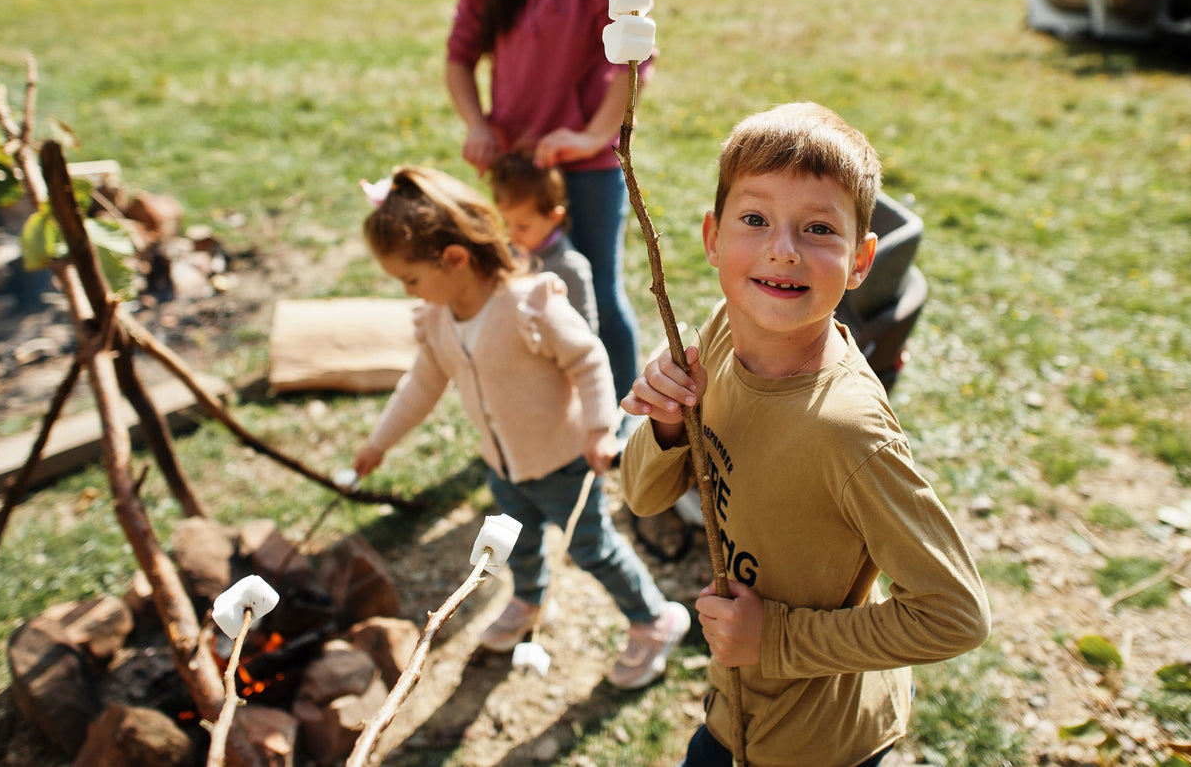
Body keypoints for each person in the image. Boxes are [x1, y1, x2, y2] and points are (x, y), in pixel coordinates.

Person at [619, 103, 991, 766]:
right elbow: (645, 498)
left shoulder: (847, 432)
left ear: (859, 260)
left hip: (820, 741)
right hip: (737, 708)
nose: (782, 249)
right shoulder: (723, 330)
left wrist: (776, 641)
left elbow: (955, 613)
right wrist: (669, 426)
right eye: (755, 219)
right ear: (711, 237)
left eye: (818, 228)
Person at [351, 165, 688, 688]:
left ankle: (653, 619)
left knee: (590, 548)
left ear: (455, 258)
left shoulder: (529, 305)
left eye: (411, 278)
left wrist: (600, 429)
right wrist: (379, 443)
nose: (408, 291)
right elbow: (421, 386)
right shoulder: (439, 320)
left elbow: (589, 360)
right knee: (518, 543)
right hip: (505, 466)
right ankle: (529, 600)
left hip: (563, 461)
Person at [445, 0, 645, 405]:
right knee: (528, 287)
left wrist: (591, 136)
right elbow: (458, 59)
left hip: (583, 165)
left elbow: (633, 60)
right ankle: (561, 403)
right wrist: (478, 125)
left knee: (594, 287)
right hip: (515, 166)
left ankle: (623, 414)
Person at [489, 151, 598, 333]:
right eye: (506, 223)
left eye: (522, 227)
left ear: (554, 217)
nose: (510, 234)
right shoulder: (508, 254)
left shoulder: (571, 267)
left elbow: (586, 330)